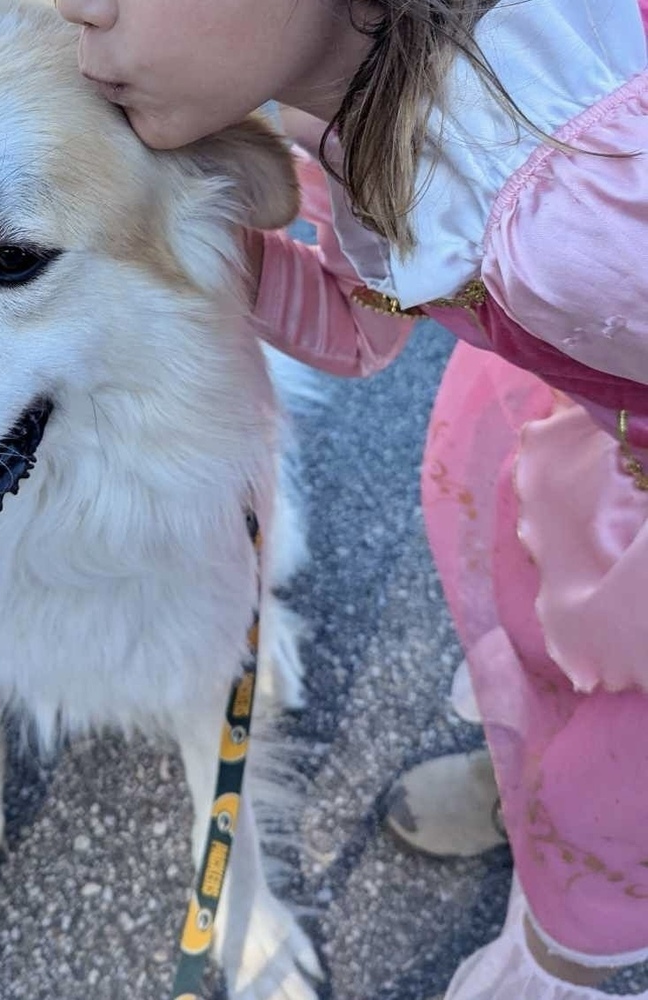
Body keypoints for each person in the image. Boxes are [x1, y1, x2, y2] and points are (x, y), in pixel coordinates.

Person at [56, 1, 648, 998]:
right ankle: (534, 804)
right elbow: (358, 322)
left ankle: (584, 884)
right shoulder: (346, 99)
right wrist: (180, 237)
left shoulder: (586, 212)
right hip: (568, 421)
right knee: (535, 640)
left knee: (606, 771)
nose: (76, 12)